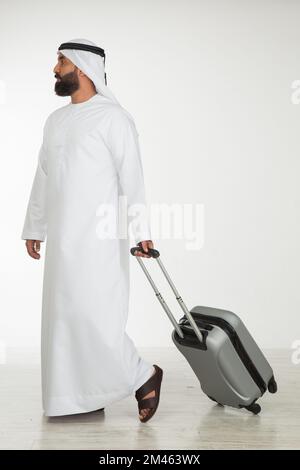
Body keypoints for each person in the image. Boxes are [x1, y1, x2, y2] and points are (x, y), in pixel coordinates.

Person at [21, 38, 163, 423]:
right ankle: (78, 398)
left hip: (99, 236)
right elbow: (44, 175)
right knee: (63, 317)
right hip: (63, 238)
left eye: (61, 62)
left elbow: (131, 177)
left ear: (82, 68)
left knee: (95, 314)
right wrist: (35, 225)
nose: (55, 69)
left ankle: (144, 375)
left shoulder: (113, 118)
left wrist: (140, 230)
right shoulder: (55, 121)